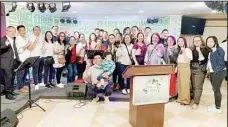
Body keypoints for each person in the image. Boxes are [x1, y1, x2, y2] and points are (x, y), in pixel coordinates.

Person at [206, 36, 226, 113]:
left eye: (211, 41)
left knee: (216, 90)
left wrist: (216, 73)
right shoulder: (211, 51)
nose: (209, 43)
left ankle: (217, 108)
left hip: (218, 73)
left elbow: (221, 63)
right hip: (213, 72)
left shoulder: (219, 50)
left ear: (215, 42)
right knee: (215, 90)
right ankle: (216, 105)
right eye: (208, 42)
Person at [190, 36, 209, 109]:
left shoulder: (205, 49)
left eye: (198, 40)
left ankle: (196, 102)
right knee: (193, 85)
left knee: (198, 86)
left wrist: (199, 51)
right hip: (192, 68)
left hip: (200, 69)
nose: (196, 42)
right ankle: (194, 98)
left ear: (201, 41)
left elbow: (203, 60)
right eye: (195, 41)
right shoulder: (193, 50)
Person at [0, 26, 19, 100]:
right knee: (8, 77)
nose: (13, 33)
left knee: (12, 77)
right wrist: (5, 45)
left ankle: (11, 91)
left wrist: (17, 59)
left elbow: (15, 50)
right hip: (6, 62)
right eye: (11, 31)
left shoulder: (14, 39)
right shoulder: (2, 39)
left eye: (14, 31)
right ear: (7, 31)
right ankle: (7, 93)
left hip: (14, 61)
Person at [27, 26, 45, 90]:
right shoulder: (30, 37)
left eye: (38, 30)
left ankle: (40, 82)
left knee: (40, 70)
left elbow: (43, 46)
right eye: (35, 30)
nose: (37, 31)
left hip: (41, 56)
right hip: (34, 57)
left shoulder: (42, 36)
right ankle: (36, 84)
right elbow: (29, 48)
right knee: (35, 71)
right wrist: (35, 41)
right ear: (33, 31)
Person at [176, 37, 193, 105]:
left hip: (185, 68)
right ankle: (180, 98)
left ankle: (186, 100)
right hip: (180, 67)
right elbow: (178, 61)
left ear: (184, 42)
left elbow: (188, 61)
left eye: (182, 41)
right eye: (179, 41)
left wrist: (184, 52)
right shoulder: (180, 50)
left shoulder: (187, 50)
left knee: (185, 85)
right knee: (179, 84)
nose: (180, 42)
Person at [163, 36, 179, 100]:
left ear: (174, 41)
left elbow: (177, 60)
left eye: (171, 40)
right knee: (165, 81)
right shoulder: (164, 48)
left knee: (172, 81)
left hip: (173, 67)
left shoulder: (176, 49)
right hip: (165, 67)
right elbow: (161, 57)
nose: (169, 41)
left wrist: (171, 54)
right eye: (168, 40)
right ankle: (165, 93)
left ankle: (171, 95)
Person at [15, 25, 30, 93]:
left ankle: (22, 85)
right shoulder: (17, 39)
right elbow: (19, 51)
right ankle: (19, 87)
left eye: (24, 30)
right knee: (20, 74)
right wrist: (26, 46)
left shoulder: (26, 38)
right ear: (18, 31)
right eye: (21, 30)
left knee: (25, 73)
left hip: (26, 59)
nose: (23, 31)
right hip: (21, 59)